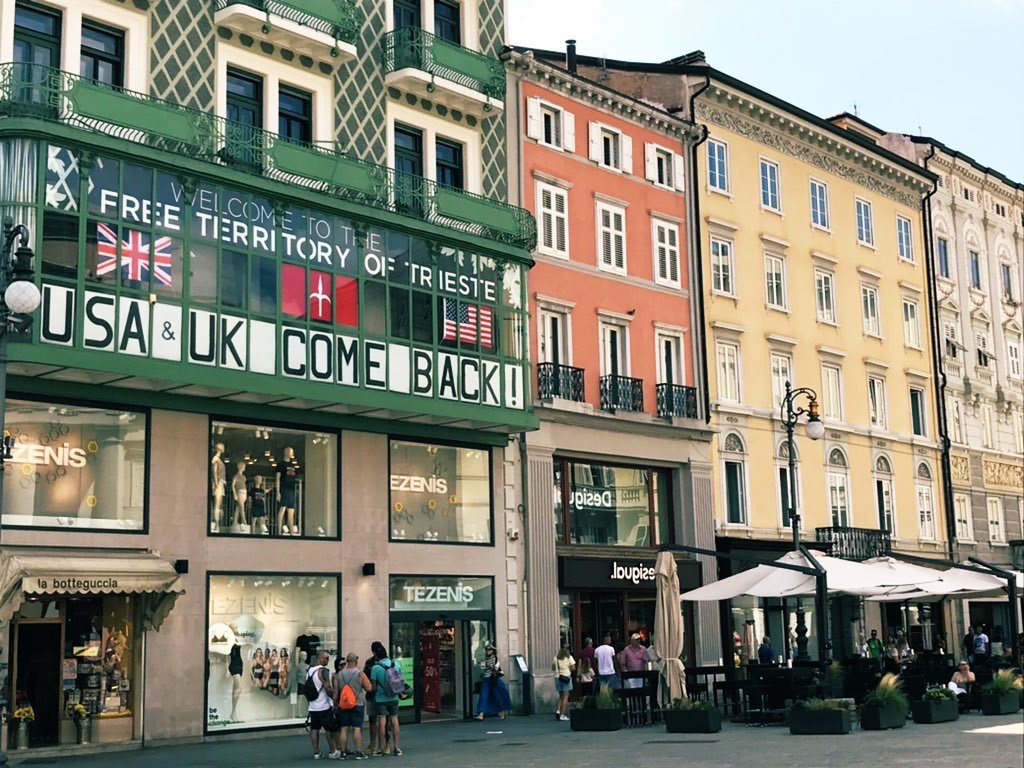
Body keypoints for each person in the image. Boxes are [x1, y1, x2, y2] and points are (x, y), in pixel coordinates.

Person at [334, 652, 371, 759]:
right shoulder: (360, 673)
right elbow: (368, 687)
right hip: (357, 703)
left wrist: (335, 705)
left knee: (344, 728)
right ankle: (358, 752)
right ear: (356, 661)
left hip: (343, 705)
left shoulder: (339, 674)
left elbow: (336, 692)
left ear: (347, 661)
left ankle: (343, 752)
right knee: (357, 728)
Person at [370, 642, 402, 757]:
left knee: (382, 722)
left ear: (377, 656)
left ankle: (380, 748)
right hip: (394, 696)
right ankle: (397, 747)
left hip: (381, 698)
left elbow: (373, 687)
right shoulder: (396, 664)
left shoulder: (376, 668)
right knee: (395, 720)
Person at [306, 650, 338, 760]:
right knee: (328, 729)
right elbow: (327, 687)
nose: (328, 660)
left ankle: (316, 752)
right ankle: (333, 751)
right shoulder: (323, 671)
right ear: (320, 658)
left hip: (312, 706)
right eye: (327, 658)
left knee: (314, 729)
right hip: (323, 705)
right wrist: (335, 692)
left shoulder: (309, 671)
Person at [475, 643, 512, 720]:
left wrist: (490, 667)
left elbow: (497, 669)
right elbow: (483, 669)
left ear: (492, 650)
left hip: (493, 680)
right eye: (486, 649)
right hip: (486, 679)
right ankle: (481, 714)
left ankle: (501, 712)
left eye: (489, 649)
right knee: (483, 696)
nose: (488, 651)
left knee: (497, 696)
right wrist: (482, 666)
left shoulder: (495, 658)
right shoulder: (485, 659)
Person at [362, 643, 385, 756]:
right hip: (386, 695)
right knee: (385, 719)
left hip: (372, 694)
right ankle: (386, 745)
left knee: (373, 720)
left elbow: (364, 677)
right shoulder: (389, 662)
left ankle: (373, 744)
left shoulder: (369, 663)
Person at [552, 646, 575, 721]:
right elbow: (573, 668)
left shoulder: (556, 658)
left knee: (560, 696)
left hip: (557, 677)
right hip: (566, 677)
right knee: (566, 697)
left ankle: (558, 711)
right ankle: (562, 714)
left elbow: (553, 667)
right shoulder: (569, 657)